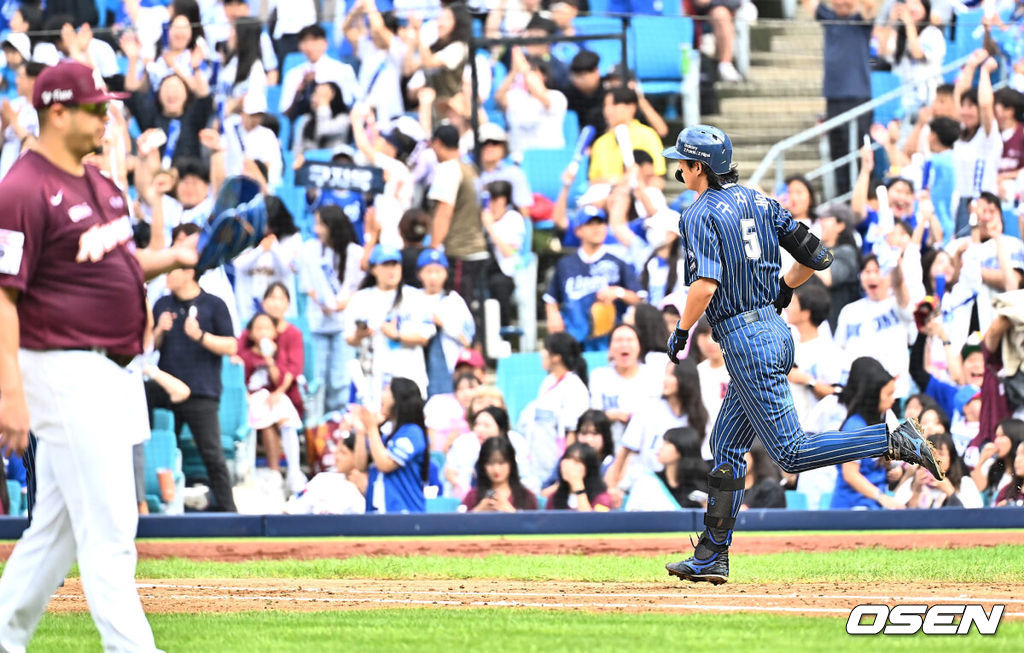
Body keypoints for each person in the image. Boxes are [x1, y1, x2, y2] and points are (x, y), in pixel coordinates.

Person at [660, 125, 942, 585]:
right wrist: (784, 287)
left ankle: (892, 438)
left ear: (699, 167)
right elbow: (817, 254)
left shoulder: (698, 215)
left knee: (790, 453)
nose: (678, 170)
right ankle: (713, 554)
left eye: (683, 163)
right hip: (775, 329)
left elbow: (705, 284)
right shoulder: (763, 201)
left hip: (745, 340)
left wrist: (682, 329)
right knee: (726, 445)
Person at [0, 60, 200, 651]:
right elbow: (3, 295)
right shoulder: (21, 190)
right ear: (57, 112)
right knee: (111, 527)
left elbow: (121, 264)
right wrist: (9, 390)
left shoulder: (99, 181)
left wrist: (178, 258)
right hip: (59, 365)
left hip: (111, 369)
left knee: (56, 529)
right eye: (95, 108)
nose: (107, 117)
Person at [149, 224, 239, 513]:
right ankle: (152, 505)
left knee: (213, 456)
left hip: (201, 392)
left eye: (172, 269)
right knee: (153, 448)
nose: (166, 275)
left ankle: (229, 514)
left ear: (189, 272)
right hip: (165, 388)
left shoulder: (213, 305)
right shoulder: (162, 304)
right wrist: (159, 332)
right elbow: (146, 348)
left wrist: (201, 336)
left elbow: (232, 346)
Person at [543, 205, 642, 350]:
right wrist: (553, 315)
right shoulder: (566, 264)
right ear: (578, 230)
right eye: (590, 224)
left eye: (600, 223)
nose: (597, 228)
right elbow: (551, 299)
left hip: (609, 342)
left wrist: (619, 292)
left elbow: (639, 298)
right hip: (573, 340)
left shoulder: (617, 262)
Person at [345, 244, 436, 400]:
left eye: (395, 264)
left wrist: (397, 336)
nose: (392, 270)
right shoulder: (360, 298)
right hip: (374, 378)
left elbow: (425, 336)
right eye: (385, 265)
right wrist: (360, 335)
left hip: (410, 375)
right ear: (373, 269)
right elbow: (349, 339)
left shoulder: (415, 296)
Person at [299, 205, 364, 420]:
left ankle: (337, 422)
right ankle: (315, 425)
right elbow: (306, 284)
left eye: (321, 224)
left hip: (344, 325)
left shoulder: (354, 252)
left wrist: (344, 303)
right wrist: (322, 303)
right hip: (318, 322)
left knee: (341, 377)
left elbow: (360, 286)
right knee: (317, 377)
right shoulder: (309, 249)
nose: (316, 229)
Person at [805, 0, 875, 196]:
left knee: (860, 151)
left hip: (858, 96)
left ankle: (864, 196)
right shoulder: (829, 17)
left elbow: (870, 7)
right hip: (833, 96)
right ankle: (842, 197)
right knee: (838, 152)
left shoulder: (860, 20)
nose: (841, 2)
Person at [237, 312, 307, 494]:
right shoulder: (245, 356)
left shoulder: (278, 355)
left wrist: (269, 360)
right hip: (253, 400)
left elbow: (279, 380)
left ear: (275, 333)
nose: (263, 332)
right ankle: (274, 472)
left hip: (273, 398)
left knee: (285, 417)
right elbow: (241, 383)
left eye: (267, 327)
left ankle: (294, 471)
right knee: (266, 421)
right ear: (250, 333)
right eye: (258, 328)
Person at [828, 357, 904, 510]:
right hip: (853, 507)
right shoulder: (855, 427)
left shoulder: (882, 423)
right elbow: (850, 474)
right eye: (888, 395)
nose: (893, 400)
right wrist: (881, 497)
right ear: (874, 396)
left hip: (873, 507)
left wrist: (891, 469)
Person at [352, 377, 429, 514]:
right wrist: (360, 431)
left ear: (399, 398)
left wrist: (372, 427)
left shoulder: (413, 432)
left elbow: (385, 464)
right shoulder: (386, 437)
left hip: (406, 514)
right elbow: (360, 465)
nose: (382, 395)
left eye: (387, 390)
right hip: (378, 513)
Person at [418, 248, 475, 397]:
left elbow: (467, 338)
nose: (433, 277)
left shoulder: (454, 300)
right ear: (420, 274)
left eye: (438, 272)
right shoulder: (412, 298)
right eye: (428, 272)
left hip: (447, 364)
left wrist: (442, 324)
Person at [587, 324, 651, 445]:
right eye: (618, 340)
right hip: (608, 447)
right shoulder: (599, 376)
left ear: (639, 346)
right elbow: (593, 414)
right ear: (610, 347)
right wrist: (611, 416)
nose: (624, 344)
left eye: (629, 340)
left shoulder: (651, 377)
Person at [625, 427, 710, 511]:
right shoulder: (648, 481)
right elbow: (633, 513)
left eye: (667, 443)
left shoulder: (702, 486)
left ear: (682, 448)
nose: (660, 448)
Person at [893, 431, 982, 509]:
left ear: (951, 459)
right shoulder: (911, 484)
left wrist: (950, 492)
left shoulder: (965, 484)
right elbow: (897, 518)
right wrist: (916, 491)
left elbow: (974, 517)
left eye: (941, 454)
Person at [461, 436, 538, 512]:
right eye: (490, 463)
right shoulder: (472, 496)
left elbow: (533, 523)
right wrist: (478, 510)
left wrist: (510, 512)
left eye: (501, 462)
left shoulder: (526, 497)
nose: (496, 469)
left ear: (511, 463)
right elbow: (460, 523)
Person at [547, 443, 613, 511]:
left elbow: (590, 520)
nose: (568, 465)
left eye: (577, 461)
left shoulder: (601, 498)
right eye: (567, 458)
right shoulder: (553, 498)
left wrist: (578, 486)